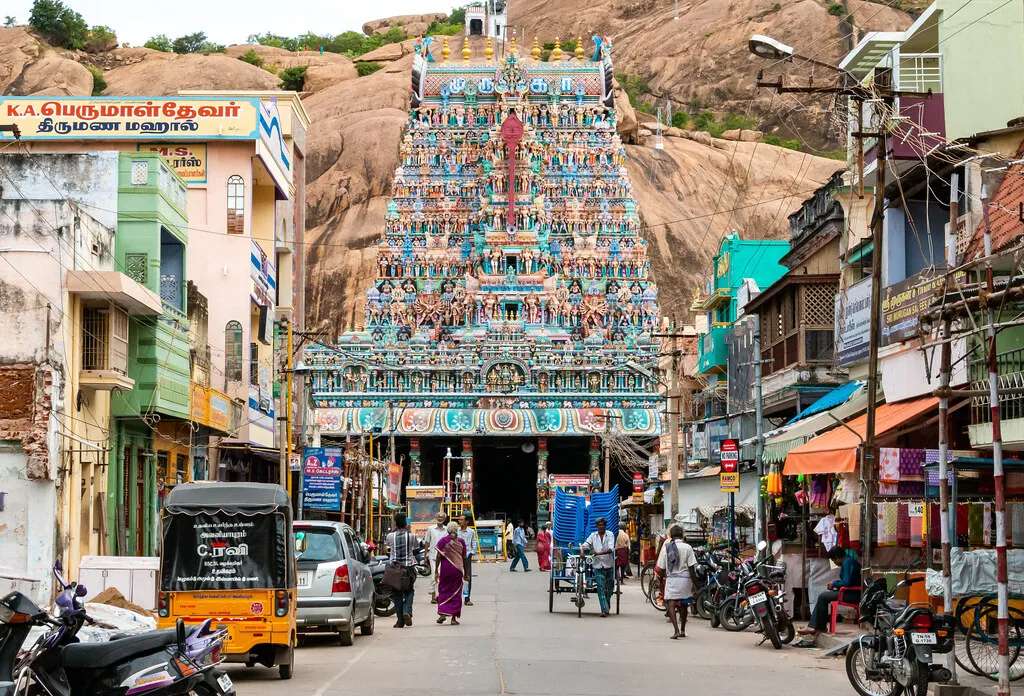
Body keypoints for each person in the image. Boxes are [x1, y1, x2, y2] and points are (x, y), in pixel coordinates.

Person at [798, 547, 861, 644]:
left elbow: (847, 582)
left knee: (823, 596)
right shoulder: (849, 561)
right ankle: (817, 626)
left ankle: (817, 626)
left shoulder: (848, 562)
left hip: (851, 594)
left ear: (837, 557)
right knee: (823, 596)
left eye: (833, 560)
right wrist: (835, 584)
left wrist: (835, 584)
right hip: (848, 592)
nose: (835, 563)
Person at [656, 525, 698, 639]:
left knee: (671, 603)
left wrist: (664, 578)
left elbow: (661, 568)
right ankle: (683, 629)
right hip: (685, 580)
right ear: (682, 535)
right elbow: (691, 568)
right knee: (684, 604)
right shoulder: (688, 547)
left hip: (672, 579)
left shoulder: (667, 547)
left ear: (671, 536)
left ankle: (676, 630)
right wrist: (696, 584)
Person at [385, 512, 420, 628]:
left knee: (397, 594)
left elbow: (388, 547)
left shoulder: (390, 536)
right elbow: (416, 548)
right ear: (405, 523)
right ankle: (407, 611)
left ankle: (400, 621)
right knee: (409, 591)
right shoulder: (412, 536)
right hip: (408, 568)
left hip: (394, 568)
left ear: (395, 523)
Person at [435, 522, 467, 625]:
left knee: (444, 590)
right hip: (458, 570)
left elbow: (438, 557)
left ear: (447, 530)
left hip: (446, 570)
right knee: (457, 593)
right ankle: (453, 619)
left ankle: (443, 614)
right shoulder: (461, 542)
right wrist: (466, 573)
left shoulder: (443, 541)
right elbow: (464, 558)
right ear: (456, 530)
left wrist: (435, 570)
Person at [583, 517, 616, 617]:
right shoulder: (593, 535)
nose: (601, 527)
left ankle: (607, 605)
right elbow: (586, 544)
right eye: (599, 525)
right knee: (600, 588)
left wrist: (598, 553)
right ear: (597, 526)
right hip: (598, 565)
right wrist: (582, 550)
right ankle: (604, 610)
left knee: (609, 589)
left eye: (602, 525)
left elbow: (611, 549)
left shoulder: (610, 535)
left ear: (605, 526)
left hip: (609, 564)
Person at [424, 512, 448, 603]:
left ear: (445, 519)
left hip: (444, 556)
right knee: (434, 575)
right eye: (438, 517)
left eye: (442, 517)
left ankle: (440, 595)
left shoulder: (447, 530)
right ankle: (433, 596)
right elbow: (427, 542)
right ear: (435, 517)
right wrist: (425, 555)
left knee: (442, 576)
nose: (440, 518)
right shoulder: (430, 529)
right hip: (433, 556)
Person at [457, 514, 478, 606]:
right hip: (456, 556)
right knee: (456, 576)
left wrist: (472, 552)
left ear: (466, 522)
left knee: (467, 577)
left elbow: (474, 542)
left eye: (461, 520)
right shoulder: (456, 531)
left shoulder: (471, 532)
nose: (459, 521)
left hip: (467, 556)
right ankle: (456, 597)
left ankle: (467, 598)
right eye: (459, 520)